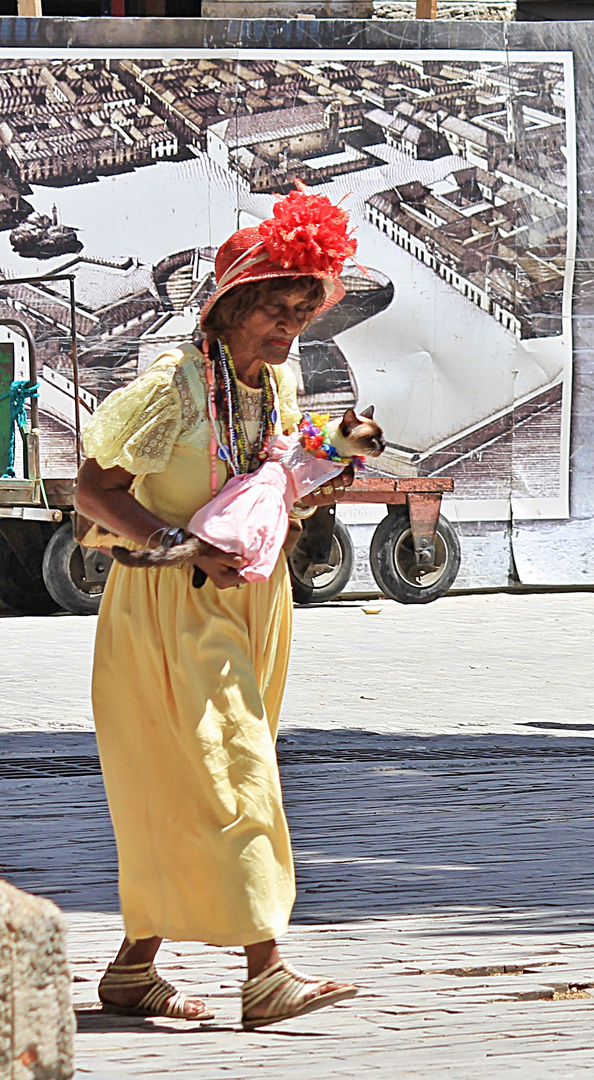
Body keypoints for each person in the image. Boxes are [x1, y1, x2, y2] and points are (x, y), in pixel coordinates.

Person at [76, 187, 362, 1030]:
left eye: (303, 314)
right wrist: (177, 545)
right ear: (235, 305)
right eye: (277, 312)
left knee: (192, 781)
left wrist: (321, 478)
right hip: (170, 605)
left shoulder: (272, 388)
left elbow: (265, 493)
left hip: (251, 604)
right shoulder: (172, 391)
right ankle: (266, 972)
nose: (290, 330)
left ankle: (133, 971)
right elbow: (93, 491)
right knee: (234, 770)